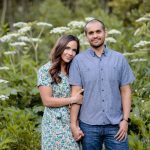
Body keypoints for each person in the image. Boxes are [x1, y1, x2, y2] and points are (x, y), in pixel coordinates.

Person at [69, 19, 135, 150]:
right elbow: (76, 94)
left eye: (98, 31)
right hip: (88, 126)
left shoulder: (119, 59)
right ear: (86, 36)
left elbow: (126, 91)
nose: (95, 36)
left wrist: (125, 120)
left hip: (116, 126)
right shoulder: (78, 61)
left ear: (105, 33)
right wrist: (73, 125)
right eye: (91, 33)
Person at [37, 35, 84, 150]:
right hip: (54, 124)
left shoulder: (75, 70)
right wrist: (73, 99)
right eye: (67, 48)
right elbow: (47, 101)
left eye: (74, 50)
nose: (70, 53)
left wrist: (76, 124)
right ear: (60, 48)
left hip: (72, 121)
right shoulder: (46, 70)